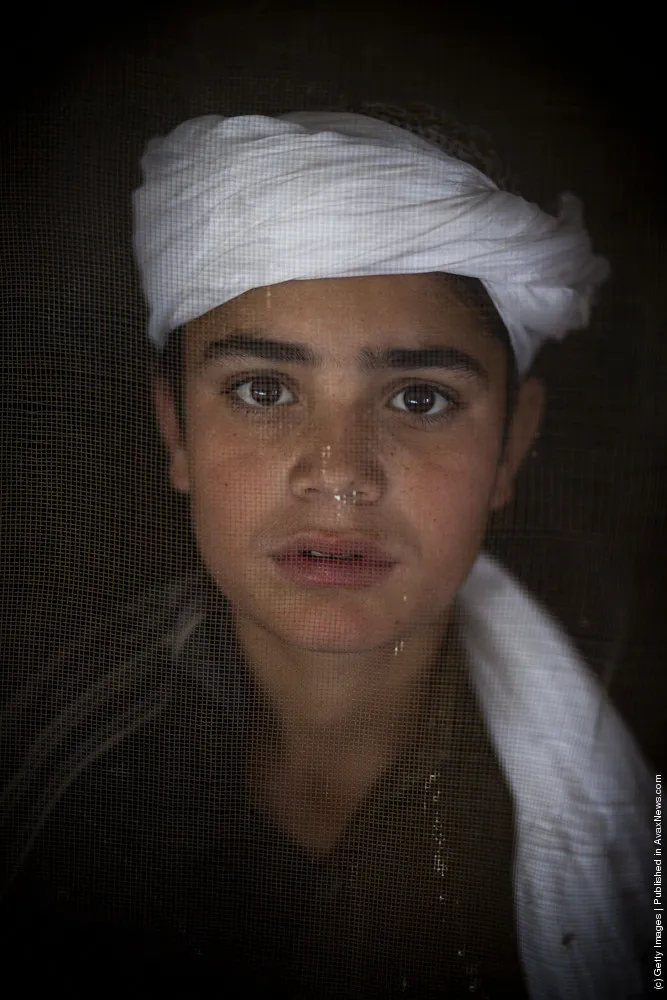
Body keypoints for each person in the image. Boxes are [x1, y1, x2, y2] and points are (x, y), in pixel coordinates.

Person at [0, 103, 652, 998]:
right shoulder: (52, 770)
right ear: (175, 431)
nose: (339, 475)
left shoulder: (639, 782)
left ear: (509, 444)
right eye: (264, 390)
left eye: (418, 399)